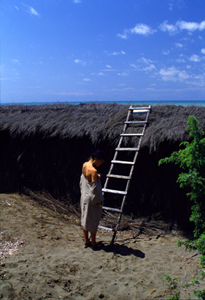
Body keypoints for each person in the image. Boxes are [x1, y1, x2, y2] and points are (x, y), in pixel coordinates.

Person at [80, 150, 106, 249]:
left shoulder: (85, 165)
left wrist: (96, 177)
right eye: (101, 162)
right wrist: (99, 200)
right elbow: (95, 190)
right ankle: (93, 242)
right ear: (96, 159)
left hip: (84, 196)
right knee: (93, 220)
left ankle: (87, 241)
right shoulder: (94, 171)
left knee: (84, 218)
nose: (101, 164)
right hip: (91, 199)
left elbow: (86, 179)